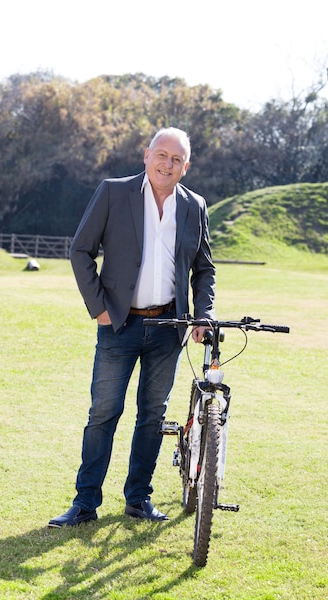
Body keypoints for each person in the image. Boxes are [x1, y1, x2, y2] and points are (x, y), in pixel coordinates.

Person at [48, 127, 215, 527]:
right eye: (162, 155)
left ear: (186, 167)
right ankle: (85, 504)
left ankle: (138, 499)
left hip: (168, 329)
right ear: (147, 155)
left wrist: (203, 314)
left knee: (152, 418)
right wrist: (100, 309)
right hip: (118, 326)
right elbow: (80, 250)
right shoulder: (113, 192)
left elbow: (204, 269)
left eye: (177, 160)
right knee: (103, 413)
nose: (168, 164)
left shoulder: (194, 206)